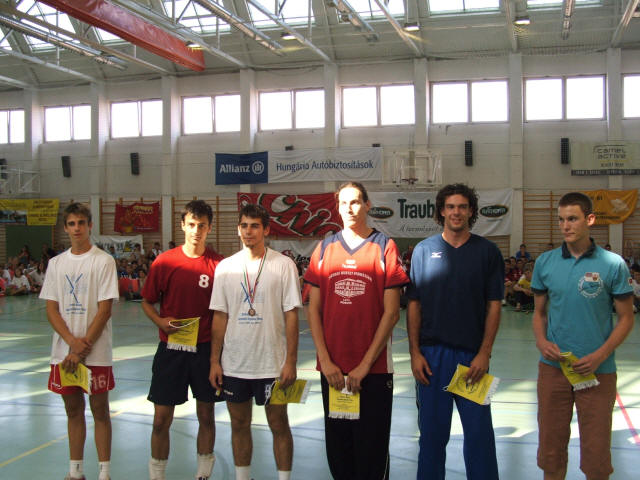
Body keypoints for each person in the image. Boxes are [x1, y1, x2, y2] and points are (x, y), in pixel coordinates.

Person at [304, 181, 409, 480]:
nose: (349, 208)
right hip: (333, 372)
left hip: (373, 372)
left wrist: (364, 366)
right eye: (343, 203)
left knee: (371, 454)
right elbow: (313, 309)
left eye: (355, 202)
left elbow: (392, 313)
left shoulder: (384, 246)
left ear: (367, 205)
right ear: (337, 208)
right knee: (340, 453)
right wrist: (325, 361)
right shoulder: (324, 248)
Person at [531, 192, 634, 480]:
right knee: (551, 455)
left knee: (596, 459)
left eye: (573, 219)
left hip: (598, 372)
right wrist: (541, 341)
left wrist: (600, 355)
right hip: (553, 370)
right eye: (561, 219)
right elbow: (539, 313)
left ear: (590, 219)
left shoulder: (613, 264)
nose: (565, 226)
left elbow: (626, 318)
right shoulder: (545, 262)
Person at [407, 183, 504, 480]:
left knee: (479, 437)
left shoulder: (487, 252)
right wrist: (414, 353)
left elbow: (494, 306)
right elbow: (413, 305)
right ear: (441, 211)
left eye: (462, 206)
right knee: (432, 437)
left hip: (472, 359)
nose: (456, 212)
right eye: (450, 207)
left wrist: (485, 353)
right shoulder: (423, 251)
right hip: (432, 359)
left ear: (471, 211)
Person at [209, 204, 302, 480]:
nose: (249, 231)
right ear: (238, 229)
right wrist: (214, 361)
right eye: (244, 226)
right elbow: (220, 317)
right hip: (235, 364)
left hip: (273, 364)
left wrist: (291, 361)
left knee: (279, 423)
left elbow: (292, 316)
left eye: (255, 226)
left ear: (266, 230)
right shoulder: (225, 268)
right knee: (239, 424)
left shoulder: (284, 265)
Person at [141, 200, 224, 480]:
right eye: (191, 224)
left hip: (204, 351)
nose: (196, 230)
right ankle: (157, 475)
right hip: (171, 350)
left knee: (206, 416)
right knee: (160, 419)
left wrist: (216, 359)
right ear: (182, 226)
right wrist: (159, 321)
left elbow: (221, 314)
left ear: (210, 228)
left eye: (202, 225)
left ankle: (203, 474)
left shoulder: (219, 265)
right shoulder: (165, 262)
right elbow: (147, 301)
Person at [39, 202, 119, 480]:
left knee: (100, 411)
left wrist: (82, 347)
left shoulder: (103, 261)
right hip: (65, 353)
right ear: (65, 228)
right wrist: (71, 343)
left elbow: (105, 309)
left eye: (81, 223)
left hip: (96, 353)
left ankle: (104, 473)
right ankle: (75, 472)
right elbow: (51, 309)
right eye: (71, 224)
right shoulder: (56, 264)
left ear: (90, 226)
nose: (77, 228)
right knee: (73, 411)